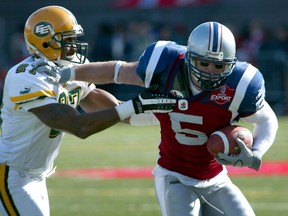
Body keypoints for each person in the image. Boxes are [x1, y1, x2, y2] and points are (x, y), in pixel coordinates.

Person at [39, 21, 278, 216]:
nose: (209, 71)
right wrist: (69, 73)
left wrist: (256, 152)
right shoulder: (166, 65)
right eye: (203, 63)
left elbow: (267, 120)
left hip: (216, 178)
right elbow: (117, 72)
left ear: (231, 64)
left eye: (218, 65)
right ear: (188, 57)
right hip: (175, 177)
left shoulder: (241, 84)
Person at [0, 6, 176, 216]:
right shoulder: (25, 75)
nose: (74, 45)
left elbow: (106, 106)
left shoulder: (70, 67)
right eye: (67, 39)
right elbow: (79, 126)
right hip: (10, 174)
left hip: (36, 174)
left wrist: (155, 114)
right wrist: (136, 104)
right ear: (44, 41)